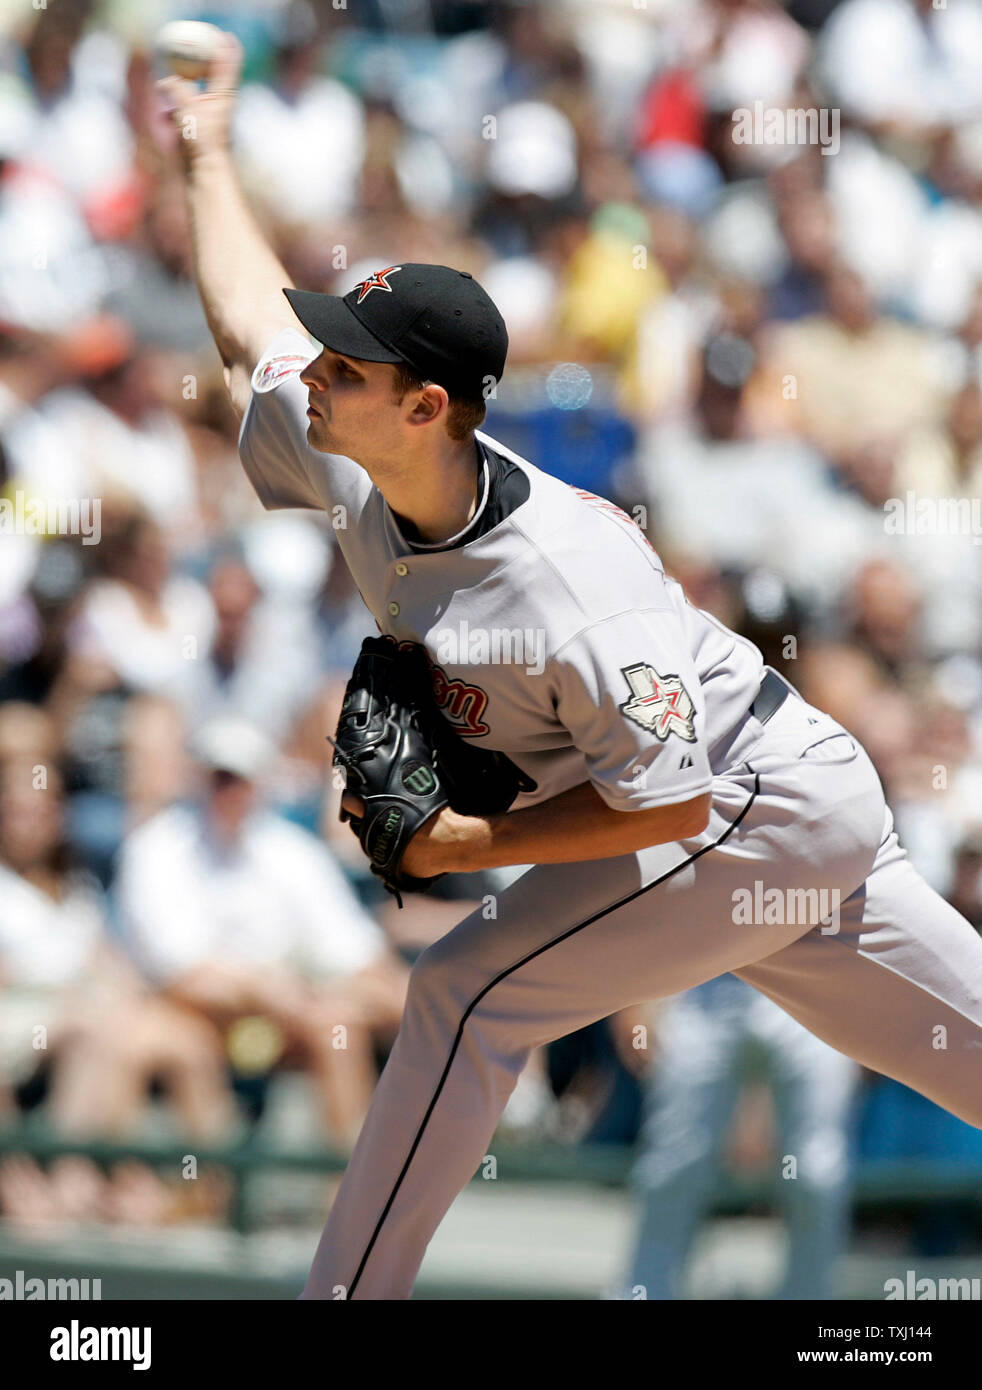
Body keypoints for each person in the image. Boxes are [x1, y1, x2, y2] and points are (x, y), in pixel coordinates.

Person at [162, 35, 982, 1300]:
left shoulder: (566, 577)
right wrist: (206, 154)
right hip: (771, 816)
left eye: (345, 365)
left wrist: (456, 849)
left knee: (462, 991)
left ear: (430, 406)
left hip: (746, 801)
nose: (312, 377)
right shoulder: (354, 449)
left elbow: (671, 803)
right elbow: (239, 329)